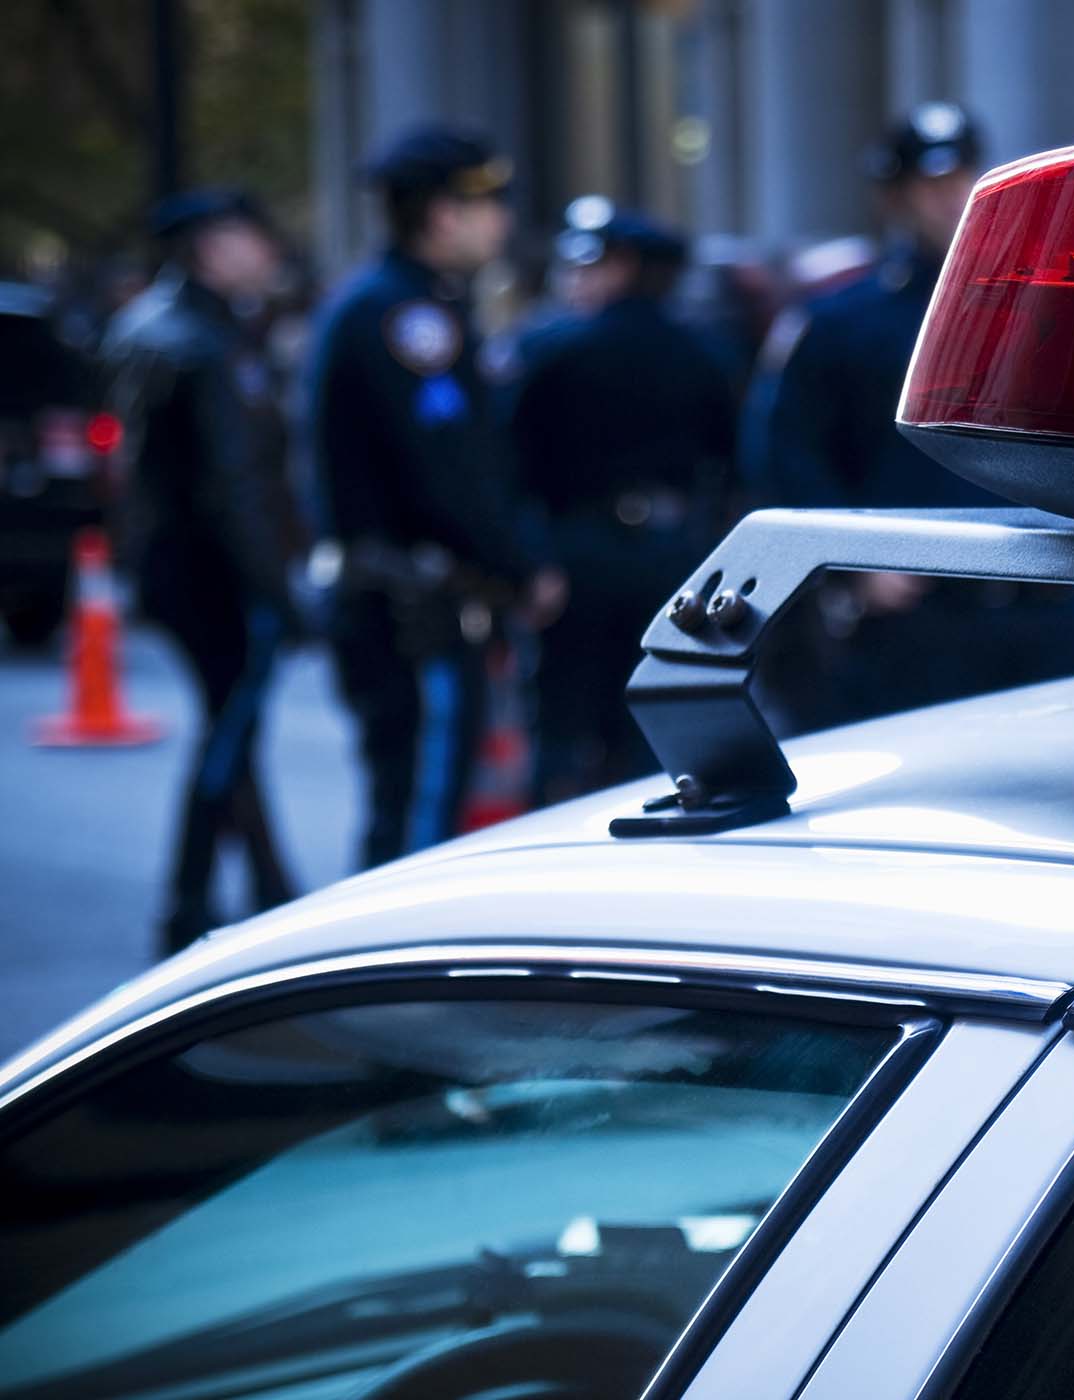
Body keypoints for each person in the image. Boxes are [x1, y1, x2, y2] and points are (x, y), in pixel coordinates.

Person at [746, 103, 1074, 731]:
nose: (951, 200)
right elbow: (788, 453)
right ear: (899, 197)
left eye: (963, 181)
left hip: (1055, 605)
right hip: (921, 617)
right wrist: (851, 563)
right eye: (933, 186)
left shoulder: (1051, 300)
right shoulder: (844, 321)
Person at [307, 125, 565, 869]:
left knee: (418, 800)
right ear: (443, 215)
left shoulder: (403, 303)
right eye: (487, 205)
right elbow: (450, 471)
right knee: (418, 819)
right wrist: (522, 569)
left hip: (407, 598)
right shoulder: (406, 316)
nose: (502, 222)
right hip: (410, 603)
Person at [100, 189, 301, 953]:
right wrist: (278, 589)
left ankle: (269, 886)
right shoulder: (201, 340)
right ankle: (185, 905)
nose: (267, 252)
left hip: (177, 566)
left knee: (233, 729)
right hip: (218, 574)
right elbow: (233, 486)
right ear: (213, 248)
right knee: (229, 730)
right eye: (252, 238)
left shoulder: (158, 326)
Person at [508, 207, 736, 802]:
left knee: (562, 723)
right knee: (653, 720)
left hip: (573, 552)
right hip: (671, 552)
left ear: (625, 268)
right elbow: (734, 461)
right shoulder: (702, 349)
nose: (575, 282)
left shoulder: (546, 346)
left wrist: (528, 559)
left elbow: (508, 464)